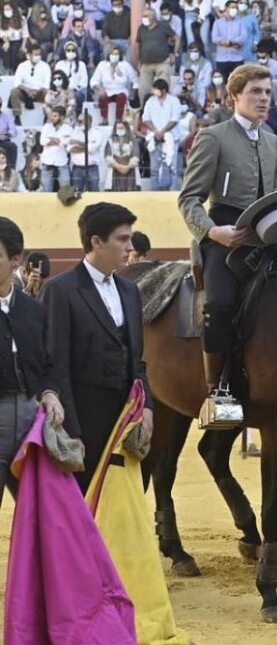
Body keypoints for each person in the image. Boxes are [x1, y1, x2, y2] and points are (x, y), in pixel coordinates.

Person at [178, 64, 277, 427]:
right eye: (255, 91)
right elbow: (189, 199)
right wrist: (212, 232)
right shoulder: (213, 137)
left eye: (267, 92)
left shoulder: (272, 141)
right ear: (234, 96)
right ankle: (216, 391)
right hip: (224, 236)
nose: (264, 98)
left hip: (266, 239)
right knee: (220, 304)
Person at [41, 203, 151, 490]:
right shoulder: (60, 290)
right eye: (122, 239)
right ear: (96, 241)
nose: (130, 247)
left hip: (125, 420)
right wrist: (71, 431)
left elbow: (137, 359)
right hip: (84, 420)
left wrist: (147, 407)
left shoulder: (129, 290)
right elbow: (55, 363)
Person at [0, 216, 65, 505]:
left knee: (40, 512)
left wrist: (50, 392)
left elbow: (49, 362)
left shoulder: (33, 310)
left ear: (15, 260)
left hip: (30, 422)